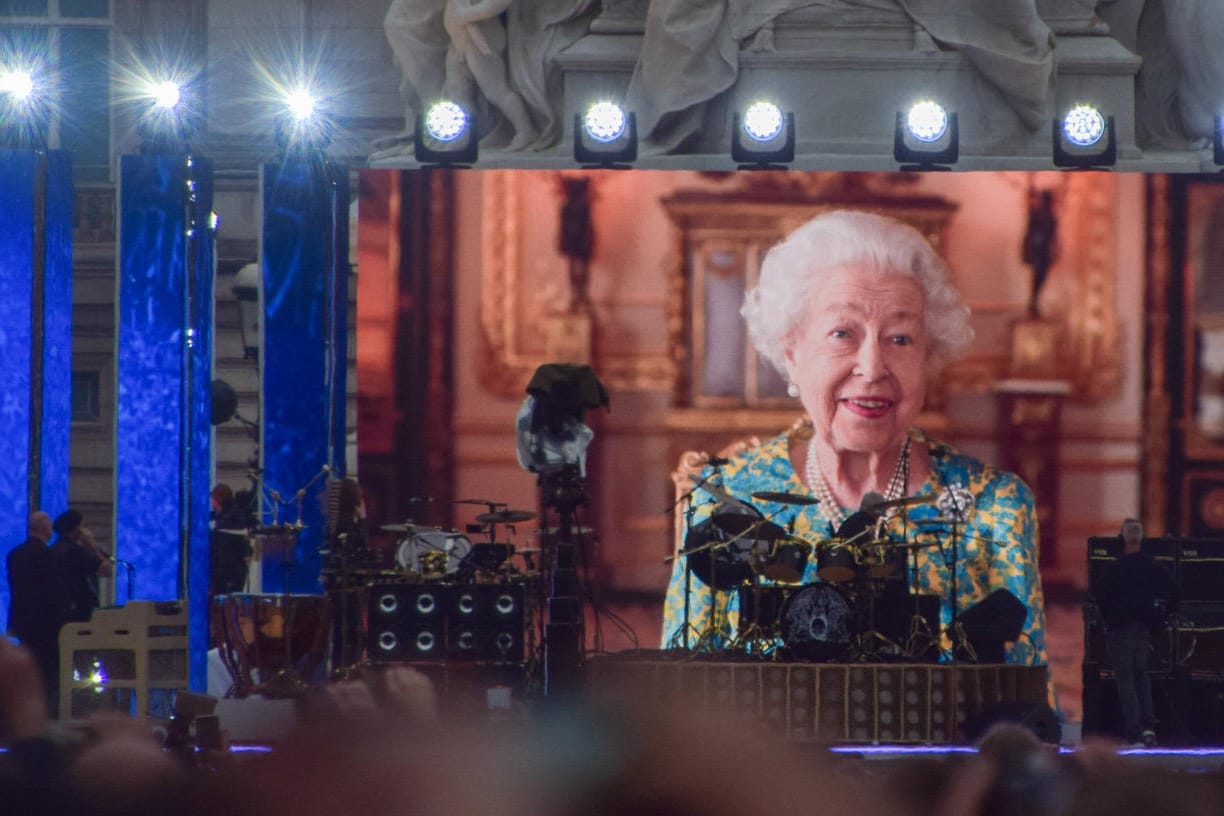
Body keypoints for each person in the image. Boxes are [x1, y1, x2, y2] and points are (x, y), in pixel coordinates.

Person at [662, 210, 1049, 672]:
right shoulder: (730, 501)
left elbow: (1026, 703)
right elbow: (681, 694)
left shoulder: (993, 507)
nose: (872, 367)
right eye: (843, 334)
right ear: (793, 351)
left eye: (900, 339)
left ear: (929, 356)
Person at [1095, 518, 1177, 747]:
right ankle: (1149, 730)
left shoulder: (1113, 568)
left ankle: (1133, 732)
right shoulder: (1153, 566)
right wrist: (1163, 618)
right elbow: (1175, 590)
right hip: (1144, 628)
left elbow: (1100, 597)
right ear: (1143, 539)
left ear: (1121, 539)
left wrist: (1109, 619)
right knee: (1142, 677)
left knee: (1126, 680)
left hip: (1120, 629)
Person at [6, 511, 69, 714]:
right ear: (46, 529)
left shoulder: (14, 554)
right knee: (47, 674)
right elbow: (54, 593)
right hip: (46, 626)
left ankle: (23, 714)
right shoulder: (49, 555)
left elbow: (17, 592)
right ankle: (44, 718)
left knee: (28, 670)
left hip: (23, 622)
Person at [50, 509, 112, 625]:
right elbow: (106, 570)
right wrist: (91, 545)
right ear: (77, 528)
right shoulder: (77, 552)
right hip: (80, 612)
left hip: (58, 612)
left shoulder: (52, 551)